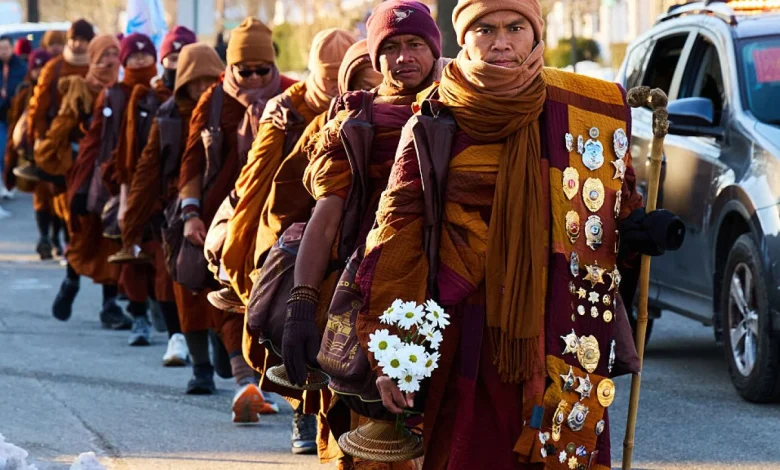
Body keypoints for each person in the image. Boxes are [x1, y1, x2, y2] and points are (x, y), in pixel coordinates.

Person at [353, 0, 682, 468]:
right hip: (469, 333)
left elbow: (606, 211)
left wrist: (634, 231)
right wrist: (393, 350)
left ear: (536, 34)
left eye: (514, 28)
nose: (501, 42)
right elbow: (396, 237)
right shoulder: (434, 118)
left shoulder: (586, 109)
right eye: (485, 29)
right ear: (462, 38)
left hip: (564, 329)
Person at [279, 1, 442, 466]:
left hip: (447, 288)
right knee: (360, 432)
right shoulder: (356, 122)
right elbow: (325, 214)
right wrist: (302, 303)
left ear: (435, 48)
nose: (403, 57)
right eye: (389, 48)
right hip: (361, 291)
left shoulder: (467, 111)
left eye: (414, 44)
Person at [177, 17, 296, 423]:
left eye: (262, 69)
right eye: (244, 71)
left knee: (271, 297)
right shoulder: (212, 101)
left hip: (277, 216)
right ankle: (245, 382)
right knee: (229, 295)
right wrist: (190, 213)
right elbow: (191, 163)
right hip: (221, 218)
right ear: (229, 68)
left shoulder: (293, 93)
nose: (253, 78)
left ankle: (267, 382)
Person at [119, 43, 224, 371]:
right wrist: (132, 219)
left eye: (209, 81)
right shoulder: (167, 114)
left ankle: (229, 358)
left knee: (227, 289)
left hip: (226, 209)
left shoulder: (234, 109)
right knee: (181, 285)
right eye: (195, 82)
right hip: (179, 213)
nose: (202, 89)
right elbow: (148, 168)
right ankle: (200, 368)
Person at [106, 27, 197, 350]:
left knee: (168, 268)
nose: (177, 65)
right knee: (137, 259)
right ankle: (145, 318)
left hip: (184, 197)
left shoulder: (209, 101)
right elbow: (130, 156)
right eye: (171, 58)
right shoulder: (143, 100)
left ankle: (182, 336)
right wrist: (126, 200)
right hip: (148, 192)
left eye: (184, 58)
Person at [2, 49, 53, 254]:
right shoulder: (25, 92)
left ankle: (58, 237)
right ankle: (44, 237)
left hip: (55, 151)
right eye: (36, 68)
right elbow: (15, 122)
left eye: (43, 67)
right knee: (41, 196)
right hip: (32, 154)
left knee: (57, 197)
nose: (39, 72)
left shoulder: (57, 90)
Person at [0, 34, 28, 201]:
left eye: (6, 48)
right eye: (0, 49)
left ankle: (10, 181)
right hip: (0, 116)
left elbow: (24, 88)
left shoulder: (21, 67)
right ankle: (4, 182)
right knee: (2, 149)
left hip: (15, 115)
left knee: (12, 150)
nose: (3, 52)